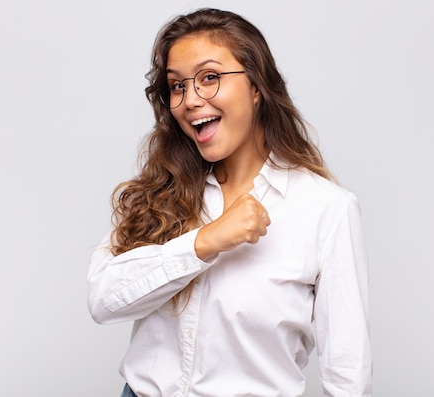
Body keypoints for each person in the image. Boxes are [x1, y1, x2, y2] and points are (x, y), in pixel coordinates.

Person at [88, 8, 371, 397]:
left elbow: (347, 376)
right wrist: (204, 242)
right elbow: (104, 300)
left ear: (256, 86)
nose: (190, 100)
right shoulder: (159, 191)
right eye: (177, 86)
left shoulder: (326, 210)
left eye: (209, 78)